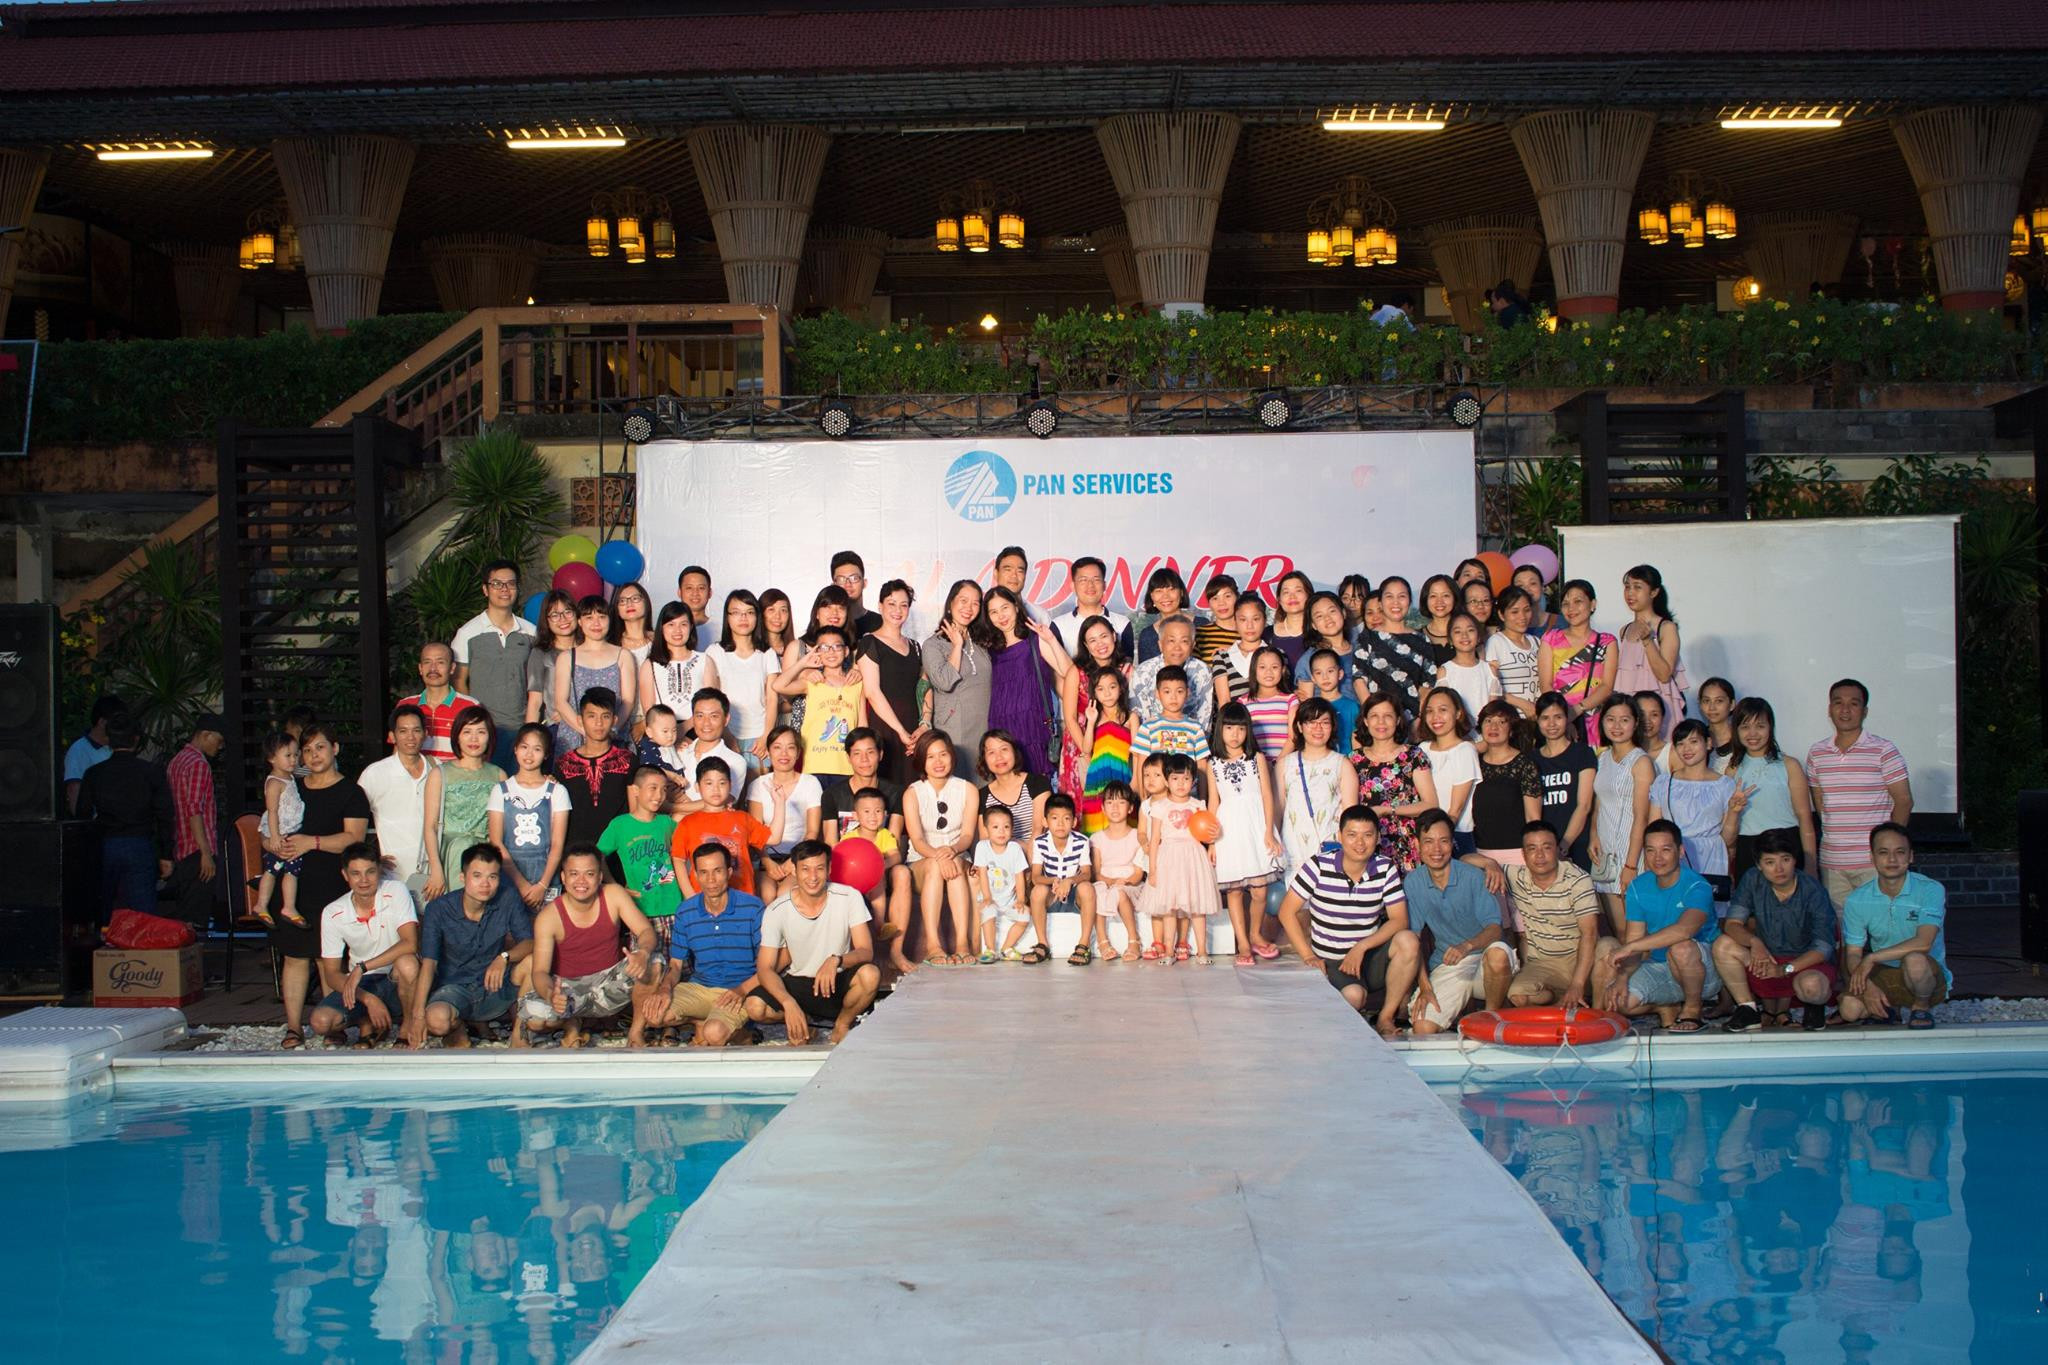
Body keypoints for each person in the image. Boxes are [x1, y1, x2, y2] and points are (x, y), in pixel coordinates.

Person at [1276, 803, 1419, 1037]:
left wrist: (1361, 947)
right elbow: (1286, 912)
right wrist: (1308, 956)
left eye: (1367, 835)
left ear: (1377, 838)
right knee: (1354, 996)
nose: (1360, 843)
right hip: (1332, 962)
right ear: (1340, 836)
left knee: (1408, 941)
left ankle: (1385, 1017)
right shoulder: (1318, 866)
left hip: (1368, 957)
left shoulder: (1385, 868)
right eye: (1352, 835)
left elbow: (1399, 920)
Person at [275, 723, 371, 1049]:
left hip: (333, 883)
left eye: (320, 747)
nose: (313, 755)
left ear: (335, 748)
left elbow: (354, 838)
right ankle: (293, 1027)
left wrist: (310, 842)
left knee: (328, 958)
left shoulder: (351, 792)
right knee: (294, 956)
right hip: (294, 884)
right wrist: (275, 843)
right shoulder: (292, 788)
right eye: (307, 750)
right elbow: (270, 824)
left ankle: (335, 1023)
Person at [520, 844, 660, 1048]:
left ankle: (635, 1033)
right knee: (535, 1018)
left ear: (600, 877)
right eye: (574, 874)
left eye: (589, 874)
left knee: (655, 962)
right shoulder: (548, 917)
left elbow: (646, 930)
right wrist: (551, 994)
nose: (581, 881)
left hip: (608, 986)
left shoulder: (613, 895)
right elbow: (540, 971)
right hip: (568, 991)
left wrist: (643, 952)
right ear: (563, 877)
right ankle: (572, 1023)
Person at [745, 840, 883, 1046]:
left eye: (819, 869)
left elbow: (865, 951)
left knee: (870, 974)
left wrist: (836, 960)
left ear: (829, 869)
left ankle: (843, 1023)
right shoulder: (776, 910)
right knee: (755, 1006)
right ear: (794, 871)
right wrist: (788, 1003)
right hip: (799, 982)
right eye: (805, 869)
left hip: (836, 980)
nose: (812, 877)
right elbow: (765, 968)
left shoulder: (849, 896)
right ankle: (806, 1022)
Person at [1593, 819, 1721, 1032]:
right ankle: (1667, 1007)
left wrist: (1630, 947)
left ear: (1680, 851)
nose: (1657, 858)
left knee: (1681, 947)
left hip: (1702, 972)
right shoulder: (1638, 886)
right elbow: (1634, 940)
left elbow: (1684, 930)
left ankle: (1693, 1008)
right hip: (1660, 966)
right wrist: (1622, 977)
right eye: (1651, 850)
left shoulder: (1698, 885)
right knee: (1617, 1000)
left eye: (1665, 850)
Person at [403, 844, 535, 1049]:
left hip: (494, 985)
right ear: (463, 877)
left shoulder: (507, 897)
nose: (485, 884)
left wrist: (503, 957)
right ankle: (458, 1027)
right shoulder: (439, 909)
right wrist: (418, 1016)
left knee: (532, 961)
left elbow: (529, 942)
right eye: (477, 876)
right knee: (437, 1021)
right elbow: (429, 964)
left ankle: (519, 1035)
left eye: (492, 877)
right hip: (454, 990)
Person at [1804, 678, 1913, 914]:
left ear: (1864, 711)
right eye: (1838, 703)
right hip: (1833, 863)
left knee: (1879, 925)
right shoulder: (1817, 753)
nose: (1845, 710)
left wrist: (1888, 847)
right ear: (1829, 709)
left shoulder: (1884, 750)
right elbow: (1821, 804)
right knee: (1842, 928)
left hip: (1873, 863)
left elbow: (1903, 801)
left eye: (1853, 704)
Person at [1715, 829, 1838, 1033]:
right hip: (1767, 959)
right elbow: (1733, 923)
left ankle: (1813, 1008)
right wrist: (1754, 942)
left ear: (1794, 860)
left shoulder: (1812, 889)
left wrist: (1785, 969)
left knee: (1812, 985)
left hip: (1804, 964)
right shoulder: (1753, 879)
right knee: (1723, 945)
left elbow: (1823, 947)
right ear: (1759, 865)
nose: (1779, 869)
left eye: (1785, 860)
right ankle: (1748, 1009)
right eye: (1770, 862)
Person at [1405, 810, 1515, 1035]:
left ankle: (1490, 1019)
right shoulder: (1413, 881)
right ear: (1417, 845)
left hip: (1486, 960)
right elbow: (1414, 940)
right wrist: (1425, 986)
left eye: (1444, 841)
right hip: (1450, 963)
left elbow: (1495, 929)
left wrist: (1467, 946)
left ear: (1452, 842)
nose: (1437, 849)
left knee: (1498, 954)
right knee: (1423, 1028)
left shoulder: (1473, 875)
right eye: (1429, 842)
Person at [645, 842, 764, 1046]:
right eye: (704, 872)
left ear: (729, 872)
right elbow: (676, 964)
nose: (711, 880)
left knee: (714, 1034)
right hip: (700, 987)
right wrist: (664, 988)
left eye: (717, 871)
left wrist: (742, 990)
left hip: (739, 989)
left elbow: (767, 965)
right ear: (696, 875)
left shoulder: (753, 908)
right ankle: (701, 1021)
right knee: (654, 1015)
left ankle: (744, 1035)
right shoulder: (686, 911)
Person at [305, 843, 420, 1046]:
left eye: (370, 872)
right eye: (356, 874)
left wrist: (363, 967)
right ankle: (367, 1022)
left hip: (394, 977)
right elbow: (331, 973)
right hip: (363, 983)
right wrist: (367, 998)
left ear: (379, 870)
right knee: (321, 1021)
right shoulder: (333, 912)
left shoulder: (395, 890)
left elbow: (410, 943)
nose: (364, 880)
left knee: (407, 963)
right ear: (345, 875)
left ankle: (407, 1026)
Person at [1837, 823, 1949, 1029]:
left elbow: (1924, 943)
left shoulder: (1931, 889)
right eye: (1883, 852)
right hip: (1884, 971)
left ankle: (1921, 1006)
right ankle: (1888, 1010)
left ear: (1911, 856)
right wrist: (1867, 986)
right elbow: (1852, 953)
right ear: (1872, 857)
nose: (1892, 859)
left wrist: (1872, 957)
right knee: (1850, 1010)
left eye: (1900, 852)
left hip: (1925, 974)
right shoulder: (1857, 899)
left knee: (1914, 960)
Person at [75, 711, 174, 919]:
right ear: (136, 739)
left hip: (105, 844)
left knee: (103, 908)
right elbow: (165, 815)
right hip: (139, 843)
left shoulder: (94, 773)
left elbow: (82, 814)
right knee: (143, 914)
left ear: (109, 740)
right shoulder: (151, 772)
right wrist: (166, 854)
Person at [1210, 703, 1284, 965]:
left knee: (1260, 890)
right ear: (1220, 729)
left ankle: (1255, 933)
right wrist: (1212, 842)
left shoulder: (1257, 759)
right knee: (1233, 890)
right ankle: (1242, 941)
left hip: (1255, 826)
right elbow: (1214, 802)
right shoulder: (1213, 764)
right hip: (1228, 830)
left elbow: (1267, 795)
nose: (1235, 734)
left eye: (1241, 729)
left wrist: (1269, 831)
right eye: (1229, 728)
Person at [1503, 821, 1602, 1008]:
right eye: (1532, 848)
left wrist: (1577, 983)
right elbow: (1467, 860)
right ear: (1523, 854)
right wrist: (1489, 864)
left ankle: (1598, 1013)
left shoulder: (1578, 879)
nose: (1539, 855)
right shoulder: (1517, 877)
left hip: (1579, 957)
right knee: (1518, 996)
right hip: (1544, 963)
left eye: (1546, 847)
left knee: (1608, 948)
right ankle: (1561, 1000)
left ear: (1557, 849)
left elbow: (1589, 933)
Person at [452, 559, 535, 772]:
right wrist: (475, 722)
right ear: (485, 589)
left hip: (521, 729)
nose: (504, 589)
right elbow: (460, 681)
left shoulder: (530, 632)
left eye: (511, 583)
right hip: (485, 731)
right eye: (497, 584)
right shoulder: (468, 633)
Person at [904, 731, 977, 964]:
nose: (938, 762)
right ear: (922, 761)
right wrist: (939, 856)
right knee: (937, 866)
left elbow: (967, 835)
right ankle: (933, 945)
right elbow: (917, 840)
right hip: (922, 860)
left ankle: (962, 943)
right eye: (930, 756)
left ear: (952, 756)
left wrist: (952, 851)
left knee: (953, 863)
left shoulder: (968, 789)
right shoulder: (913, 793)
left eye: (943, 754)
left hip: (958, 855)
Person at [1649, 719, 1741, 901]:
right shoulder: (1663, 783)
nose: (1687, 749)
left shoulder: (1724, 785)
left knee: (1708, 911)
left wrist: (1734, 812)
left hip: (1712, 858)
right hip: (1673, 856)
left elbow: (1728, 839)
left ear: (1708, 743)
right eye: (1680, 744)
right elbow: (1653, 829)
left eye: (1693, 741)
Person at [982, 585, 1068, 777]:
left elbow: (1067, 671)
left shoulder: (1036, 640)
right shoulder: (990, 649)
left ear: (1016, 606)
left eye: (1005, 608)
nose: (1001, 616)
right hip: (1002, 726)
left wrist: (1052, 640)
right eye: (993, 612)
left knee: (1038, 785)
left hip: (1032, 726)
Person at [422, 706, 506, 901]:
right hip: (451, 856)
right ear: (457, 736)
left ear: (490, 736)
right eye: (467, 732)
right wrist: (436, 869)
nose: (474, 739)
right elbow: (430, 826)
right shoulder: (440, 774)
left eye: (481, 732)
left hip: (487, 856)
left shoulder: (499, 775)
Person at [1730, 696, 1818, 883]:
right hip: (1747, 847)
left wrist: (1811, 864)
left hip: (1786, 846)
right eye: (1745, 727)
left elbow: (1804, 817)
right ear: (1736, 730)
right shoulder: (1732, 770)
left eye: (1760, 726)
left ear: (1771, 728)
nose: (1752, 733)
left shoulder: (1790, 765)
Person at [1351, 690, 1439, 873]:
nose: (1381, 722)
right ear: (1365, 721)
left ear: (1398, 720)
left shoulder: (1414, 755)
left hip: (1406, 842)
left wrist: (1388, 810)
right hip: (1367, 844)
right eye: (1374, 716)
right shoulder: (1354, 760)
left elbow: (1430, 804)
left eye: (1388, 716)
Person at [1143, 753, 1219, 964]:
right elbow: (1154, 839)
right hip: (1168, 859)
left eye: (1186, 778)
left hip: (1193, 858)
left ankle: (1202, 951)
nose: (1180, 784)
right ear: (1167, 781)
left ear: (1193, 781)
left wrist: (1212, 843)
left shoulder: (1197, 805)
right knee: (1169, 907)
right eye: (1175, 778)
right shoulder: (1160, 807)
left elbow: (1207, 832)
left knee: (1197, 906)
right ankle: (1169, 952)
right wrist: (1153, 870)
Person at [595, 766, 683, 946]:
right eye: (653, 788)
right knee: (647, 957)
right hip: (641, 909)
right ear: (636, 790)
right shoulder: (620, 825)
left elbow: (684, 852)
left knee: (678, 958)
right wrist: (614, 886)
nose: (659, 795)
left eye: (664, 789)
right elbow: (597, 857)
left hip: (673, 904)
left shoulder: (666, 823)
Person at [1589, 693, 1654, 931]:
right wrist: (1593, 835)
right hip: (1606, 854)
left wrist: (1631, 866)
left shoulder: (1641, 762)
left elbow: (1642, 817)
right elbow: (1598, 802)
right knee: (1618, 932)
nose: (1617, 726)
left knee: (1635, 934)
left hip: (1631, 854)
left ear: (1635, 723)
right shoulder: (1603, 758)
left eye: (1624, 720)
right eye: (1610, 719)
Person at [775, 624, 865, 794]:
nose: (831, 652)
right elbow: (778, 685)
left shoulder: (856, 684)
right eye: (824, 647)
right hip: (815, 764)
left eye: (837, 646)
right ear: (817, 652)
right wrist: (803, 663)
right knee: (815, 810)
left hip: (847, 765)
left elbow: (862, 725)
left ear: (846, 651)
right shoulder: (812, 682)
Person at [488, 723, 569, 910]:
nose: (529, 754)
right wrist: (522, 885)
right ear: (515, 749)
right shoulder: (500, 790)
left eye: (537, 749)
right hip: (509, 875)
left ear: (546, 754)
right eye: (524, 747)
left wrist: (542, 885)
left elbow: (557, 844)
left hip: (547, 877)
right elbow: (496, 842)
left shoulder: (558, 791)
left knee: (546, 926)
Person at [358, 703, 434, 901]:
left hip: (434, 876)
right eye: (403, 731)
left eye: (416, 730)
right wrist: (372, 859)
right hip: (392, 877)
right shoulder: (375, 773)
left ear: (425, 734)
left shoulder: (438, 771)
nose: (410, 737)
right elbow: (355, 821)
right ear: (392, 736)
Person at [853, 579, 926, 782]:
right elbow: (872, 692)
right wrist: (900, 731)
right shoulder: (869, 642)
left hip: (913, 725)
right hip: (884, 725)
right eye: (891, 604)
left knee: (913, 785)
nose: (898, 610)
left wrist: (923, 725)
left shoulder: (915, 646)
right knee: (886, 786)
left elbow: (923, 687)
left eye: (904, 605)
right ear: (880, 606)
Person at [1279, 697, 1359, 878]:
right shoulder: (1285, 764)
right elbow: (1278, 810)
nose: (1318, 728)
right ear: (1300, 727)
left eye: (1324, 722)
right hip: (1293, 850)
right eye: (1311, 722)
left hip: (1330, 848)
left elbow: (1350, 813)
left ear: (1333, 726)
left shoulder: (1342, 764)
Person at [674, 757, 774, 899]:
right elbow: (678, 859)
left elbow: (773, 838)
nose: (715, 789)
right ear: (697, 787)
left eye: (722, 783)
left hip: (742, 898)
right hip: (703, 899)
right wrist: (689, 895)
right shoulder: (687, 823)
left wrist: (779, 803)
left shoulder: (742, 818)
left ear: (730, 785)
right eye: (709, 783)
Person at [163, 712, 227, 926]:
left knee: (184, 917)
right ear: (206, 735)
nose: (220, 747)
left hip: (181, 848)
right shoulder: (199, 764)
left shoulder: (176, 761)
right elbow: (194, 810)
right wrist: (206, 853)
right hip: (197, 850)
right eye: (219, 741)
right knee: (195, 920)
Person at [922, 579, 994, 769]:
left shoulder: (981, 643)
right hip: (954, 729)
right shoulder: (933, 644)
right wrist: (957, 646)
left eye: (975, 603)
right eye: (963, 600)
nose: (969, 608)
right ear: (950, 603)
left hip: (984, 726)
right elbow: (945, 682)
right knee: (959, 779)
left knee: (984, 778)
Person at [1057, 614, 1129, 797]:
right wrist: (1086, 751)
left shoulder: (1127, 670)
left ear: (1114, 636)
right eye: (1092, 640)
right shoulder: (1076, 672)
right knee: (1084, 799)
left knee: (1116, 798)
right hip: (1081, 744)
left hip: (1116, 746)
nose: (1100, 644)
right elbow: (1070, 718)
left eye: (1104, 636)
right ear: (1086, 646)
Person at [706, 590, 778, 773]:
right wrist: (726, 735)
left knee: (759, 787)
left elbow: (772, 699)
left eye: (749, 612)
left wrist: (766, 735)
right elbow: (711, 699)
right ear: (727, 617)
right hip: (726, 732)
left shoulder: (767, 653)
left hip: (759, 735)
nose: (743, 618)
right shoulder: (715, 652)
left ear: (757, 617)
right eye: (736, 612)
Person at [1537, 579, 1616, 744]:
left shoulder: (1607, 642)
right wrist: (1564, 718)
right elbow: (1546, 685)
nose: (1571, 608)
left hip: (1596, 721)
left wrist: (1576, 710)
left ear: (1592, 604)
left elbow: (1607, 687)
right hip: (1559, 723)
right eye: (1565, 604)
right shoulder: (1551, 639)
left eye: (1578, 601)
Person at [1350, 575, 1437, 724]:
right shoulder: (1367, 638)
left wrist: (1418, 722)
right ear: (1381, 602)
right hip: (1377, 723)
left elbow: (1427, 685)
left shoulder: (1422, 640)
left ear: (1409, 601)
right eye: (1389, 596)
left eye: (1401, 596)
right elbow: (1359, 680)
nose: (1395, 602)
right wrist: (1373, 716)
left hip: (1412, 721)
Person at [554, 687, 634, 847]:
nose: (599, 723)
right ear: (580, 720)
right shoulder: (564, 764)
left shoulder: (627, 761)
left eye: (605, 716)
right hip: (575, 850)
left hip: (617, 850)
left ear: (614, 720)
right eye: (591, 716)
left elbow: (634, 813)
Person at [746, 727, 820, 899]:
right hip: (766, 859)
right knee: (767, 893)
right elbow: (755, 833)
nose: (784, 754)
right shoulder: (758, 785)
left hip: (801, 857)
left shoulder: (810, 783)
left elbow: (812, 832)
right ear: (768, 752)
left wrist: (793, 861)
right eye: (777, 747)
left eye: (790, 747)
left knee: (786, 894)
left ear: (798, 752)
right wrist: (767, 862)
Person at [1613, 565, 1685, 739]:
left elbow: (1664, 675)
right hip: (1631, 713)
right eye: (1627, 587)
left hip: (1659, 711)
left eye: (1637, 587)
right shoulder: (1624, 630)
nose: (1630, 593)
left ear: (1654, 592)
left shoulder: (1666, 627)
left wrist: (1648, 641)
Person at [552, 597, 636, 746]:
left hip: (613, 737)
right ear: (579, 621)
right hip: (575, 737)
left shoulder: (623, 655)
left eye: (602, 617)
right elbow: (561, 702)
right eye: (589, 618)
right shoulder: (566, 657)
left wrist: (611, 730)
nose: (596, 623)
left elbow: (628, 702)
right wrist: (588, 733)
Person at [1469, 699, 1541, 869]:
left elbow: (1533, 817)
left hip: (1518, 855)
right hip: (1480, 855)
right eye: (1488, 721)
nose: (1493, 727)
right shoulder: (1473, 763)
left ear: (1511, 730)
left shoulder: (1525, 764)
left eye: (1501, 722)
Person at [1031, 793, 1098, 966]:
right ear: (1045, 821)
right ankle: (1042, 944)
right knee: (1038, 890)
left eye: (1066, 818)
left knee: (1087, 888)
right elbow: (1036, 877)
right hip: (1052, 894)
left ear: (1074, 822)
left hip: (1074, 895)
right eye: (1054, 818)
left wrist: (1069, 881)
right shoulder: (1039, 842)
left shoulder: (1082, 841)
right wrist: (1054, 881)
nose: (1060, 824)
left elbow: (1087, 874)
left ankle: (1083, 945)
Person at [1532, 691, 1596, 869]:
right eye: (1545, 718)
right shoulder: (1531, 759)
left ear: (1567, 719)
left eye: (1558, 717)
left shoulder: (1582, 753)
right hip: (1543, 849)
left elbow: (1584, 806)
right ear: (1537, 721)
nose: (1552, 724)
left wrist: (1563, 845)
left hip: (1576, 844)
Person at [1416, 686, 1480, 850]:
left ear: (1458, 713)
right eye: (1429, 711)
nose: (1435, 717)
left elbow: (1455, 811)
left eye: (1443, 710)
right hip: (1423, 835)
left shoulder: (1465, 750)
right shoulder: (1423, 748)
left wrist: (1440, 840)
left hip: (1454, 835)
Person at [1089, 779, 1146, 963]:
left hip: (1130, 886)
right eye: (1110, 802)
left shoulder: (1137, 836)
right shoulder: (1097, 838)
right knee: (1096, 891)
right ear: (1103, 808)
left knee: (1119, 892)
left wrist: (1124, 882)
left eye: (1121, 802)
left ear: (1130, 808)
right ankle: (1103, 941)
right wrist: (1111, 882)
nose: (1115, 807)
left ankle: (1134, 940)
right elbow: (1097, 873)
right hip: (1106, 883)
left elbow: (1138, 874)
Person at [255, 730, 308, 927]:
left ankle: (288, 906)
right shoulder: (274, 783)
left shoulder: (291, 777)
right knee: (273, 870)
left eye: (296, 754)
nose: (293, 760)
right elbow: (272, 811)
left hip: (290, 831)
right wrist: (275, 836)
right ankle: (262, 904)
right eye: (288, 755)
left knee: (289, 871)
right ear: (271, 758)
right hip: (280, 832)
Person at [819, 727, 905, 842]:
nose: (864, 759)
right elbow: (831, 843)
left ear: (880, 754)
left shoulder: (896, 793)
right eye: (857, 753)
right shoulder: (832, 795)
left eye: (870, 752)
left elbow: (894, 840)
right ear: (848, 757)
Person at [666, 689, 747, 812]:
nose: (706, 723)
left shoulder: (735, 761)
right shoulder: (679, 752)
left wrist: (670, 807)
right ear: (693, 719)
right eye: (700, 716)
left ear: (726, 719)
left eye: (714, 716)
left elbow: (722, 802)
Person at [1076, 665, 1133, 833]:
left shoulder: (1130, 717)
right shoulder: (1094, 718)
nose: (1107, 693)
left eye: (1112, 687)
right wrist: (1091, 721)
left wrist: (1136, 780)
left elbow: (1137, 753)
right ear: (1094, 693)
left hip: (1121, 774)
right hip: (1097, 778)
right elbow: (1086, 749)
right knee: (1096, 824)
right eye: (1100, 689)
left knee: (1123, 817)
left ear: (1121, 689)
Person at [971, 804, 1032, 962]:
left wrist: (1020, 899)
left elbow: (1019, 876)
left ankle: (1007, 948)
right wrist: (986, 897)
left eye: (1006, 827)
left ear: (1012, 829)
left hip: (1010, 900)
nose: (1001, 831)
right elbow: (982, 874)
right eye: (995, 827)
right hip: (990, 898)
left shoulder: (1015, 848)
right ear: (986, 829)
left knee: (1025, 915)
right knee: (988, 911)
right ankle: (990, 949)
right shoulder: (982, 847)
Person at [639, 601, 717, 725]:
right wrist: (671, 732)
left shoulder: (705, 661)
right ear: (662, 628)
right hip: (662, 730)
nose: (678, 630)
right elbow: (649, 712)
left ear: (691, 627)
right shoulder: (650, 665)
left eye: (683, 624)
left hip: (699, 728)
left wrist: (685, 729)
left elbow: (711, 705)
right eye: (671, 624)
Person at [1132, 616, 1215, 730]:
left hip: (1191, 737)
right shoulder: (1143, 672)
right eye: (1171, 641)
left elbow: (1204, 719)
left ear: (1192, 645)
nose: (1177, 648)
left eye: (1184, 641)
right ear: (1160, 644)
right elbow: (1138, 717)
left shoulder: (1202, 672)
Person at [402, 641, 479, 760]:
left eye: (440, 662)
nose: (433, 668)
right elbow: (398, 752)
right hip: (416, 772)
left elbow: (478, 755)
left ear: (452, 668)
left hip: (456, 772)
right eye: (427, 662)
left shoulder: (470, 707)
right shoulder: (406, 706)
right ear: (420, 668)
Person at [525, 589, 582, 745]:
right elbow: (535, 702)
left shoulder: (589, 649)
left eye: (567, 612)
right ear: (546, 620)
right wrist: (529, 740)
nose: (563, 619)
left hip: (591, 727)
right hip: (557, 730)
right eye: (555, 615)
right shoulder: (541, 653)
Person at [978, 728, 1052, 847]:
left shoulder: (1038, 782)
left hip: (1039, 851)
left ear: (1014, 752)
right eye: (991, 752)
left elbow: (1039, 829)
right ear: (984, 759)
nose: (999, 757)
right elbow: (985, 840)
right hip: (1002, 854)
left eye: (1004, 749)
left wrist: (1026, 855)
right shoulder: (982, 795)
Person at [1131, 664, 1210, 768]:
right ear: (1157, 694)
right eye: (1167, 691)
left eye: (1179, 691)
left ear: (1187, 693)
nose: (1173, 697)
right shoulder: (1148, 727)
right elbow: (1142, 766)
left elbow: (1202, 766)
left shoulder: (1196, 728)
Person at [1052, 556, 1134, 657]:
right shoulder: (1059, 625)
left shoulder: (1122, 623)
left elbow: (1127, 661)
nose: (1090, 585)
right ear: (1073, 586)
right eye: (1083, 580)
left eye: (1096, 580)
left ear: (1104, 585)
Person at [1434, 612, 1500, 735]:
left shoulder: (1490, 670)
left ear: (1479, 637)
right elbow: (1444, 709)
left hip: (1485, 735)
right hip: (1455, 736)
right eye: (1457, 632)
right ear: (1450, 640)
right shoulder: (1445, 671)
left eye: (1470, 630)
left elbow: (1492, 712)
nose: (1464, 635)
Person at [1484, 587, 1541, 719]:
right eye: (1515, 612)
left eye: (1526, 610)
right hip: (1511, 719)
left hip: (1537, 719)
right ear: (1501, 615)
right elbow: (1490, 685)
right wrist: (1524, 705)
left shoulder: (1537, 642)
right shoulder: (1496, 642)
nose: (1522, 616)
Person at [65, 693, 124, 813]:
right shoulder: (79, 750)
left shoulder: (117, 747)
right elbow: (74, 791)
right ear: (102, 722)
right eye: (115, 721)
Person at [1303, 649, 1358, 758]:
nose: (1325, 677)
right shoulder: (1310, 707)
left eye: (1330, 671)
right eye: (1319, 673)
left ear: (1340, 674)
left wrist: (1355, 762)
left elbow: (1356, 740)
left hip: (1345, 761)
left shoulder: (1352, 706)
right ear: (1313, 678)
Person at [1132, 566, 1194, 663]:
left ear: (1181, 593)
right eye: (1159, 591)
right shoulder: (1147, 635)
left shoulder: (1202, 625)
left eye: (1171, 589)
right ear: (1152, 596)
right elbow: (1145, 670)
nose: (1165, 596)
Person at [830, 550, 884, 640]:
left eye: (854, 578)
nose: (848, 584)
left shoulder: (881, 623)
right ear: (833, 585)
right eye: (841, 579)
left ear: (864, 583)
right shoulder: (830, 623)